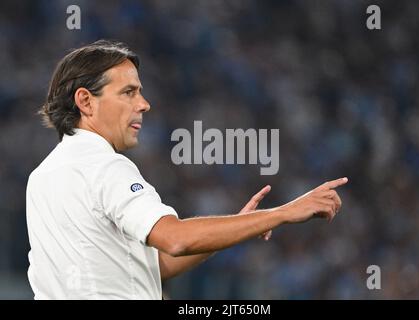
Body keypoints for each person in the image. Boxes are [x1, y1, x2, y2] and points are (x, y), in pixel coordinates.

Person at [26, 40, 348, 300]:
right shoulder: (104, 166)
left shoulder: (42, 176)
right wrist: (285, 212)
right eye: (128, 92)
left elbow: (153, 266)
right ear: (85, 101)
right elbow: (175, 239)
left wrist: (240, 226)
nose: (143, 103)